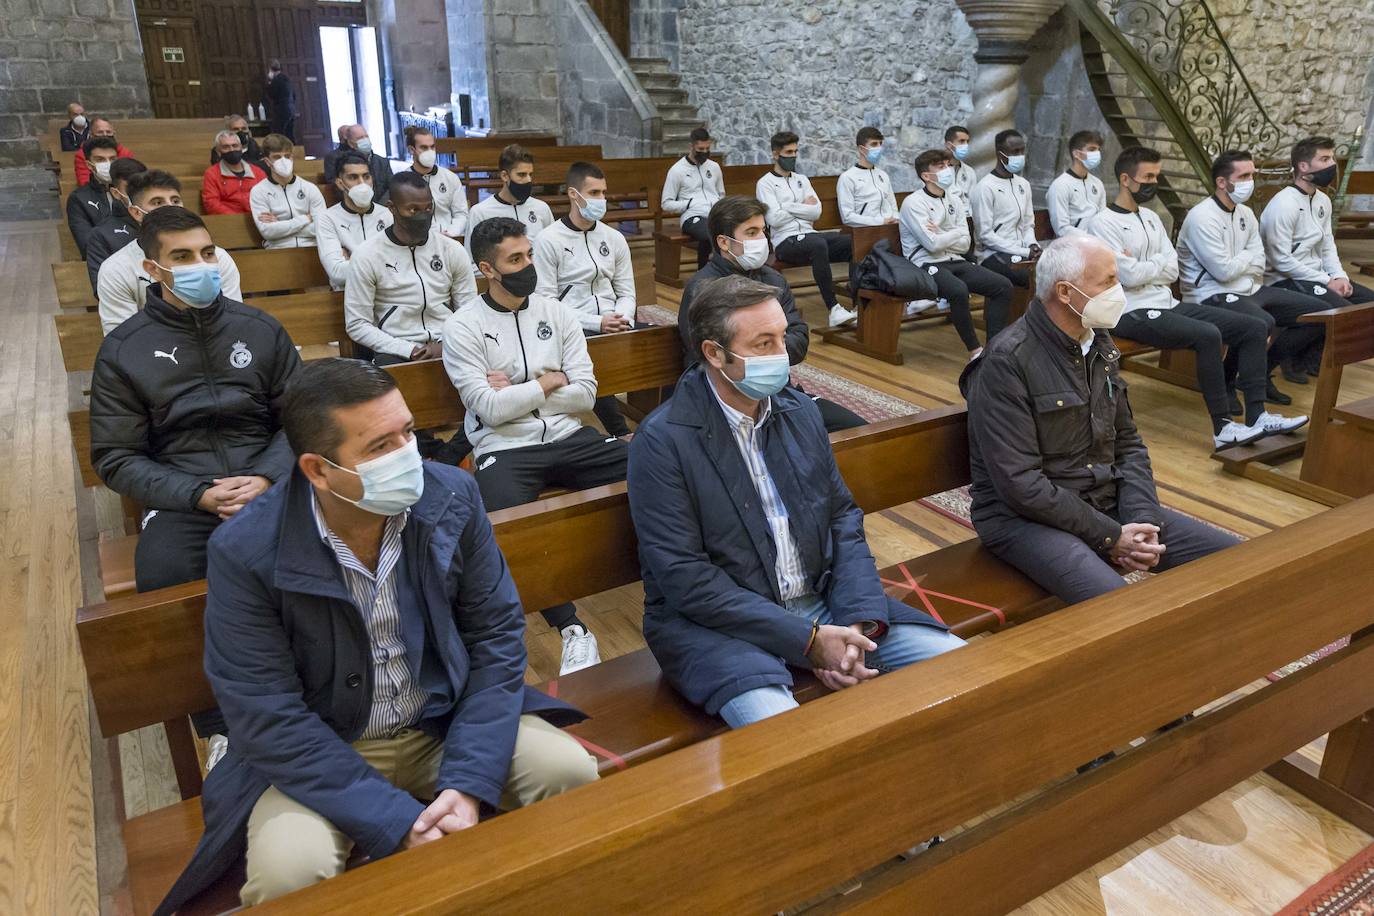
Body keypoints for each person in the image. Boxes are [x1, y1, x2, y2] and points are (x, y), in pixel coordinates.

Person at [153, 357, 596, 914]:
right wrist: (395, 819)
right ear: (317, 469)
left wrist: (465, 781)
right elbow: (266, 713)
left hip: (442, 719)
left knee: (570, 773)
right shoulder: (246, 550)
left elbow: (496, 640)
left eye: (408, 432)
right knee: (289, 872)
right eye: (380, 447)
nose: (408, 456)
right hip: (324, 749)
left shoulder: (451, 495)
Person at [628, 274, 965, 728]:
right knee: (790, 738)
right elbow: (685, 578)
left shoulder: (799, 412)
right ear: (714, 353)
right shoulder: (663, 440)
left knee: (962, 668)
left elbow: (842, 519)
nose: (781, 356)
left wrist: (857, 623)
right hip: (720, 626)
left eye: (782, 338)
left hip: (820, 600)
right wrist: (807, 641)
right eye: (763, 343)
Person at [961, 234, 1244, 605]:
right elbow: (1021, 484)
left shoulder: (1098, 344)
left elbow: (1128, 444)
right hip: (1022, 520)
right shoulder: (1007, 361)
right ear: (1065, 292)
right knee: (1119, 608)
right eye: (1109, 280)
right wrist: (1111, 536)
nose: (1119, 289)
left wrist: (1142, 520)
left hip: (1099, 500)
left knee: (1238, 561)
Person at [444, 217, 626, 675]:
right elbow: (487, 408)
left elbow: (586, 393)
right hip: (504, 448)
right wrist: (548, 381)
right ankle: (571, 629)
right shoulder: (463, 326)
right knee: (506, 525)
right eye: (515, 259)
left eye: (528, 255)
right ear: (488, 269)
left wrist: (524, 387)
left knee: (657, 470)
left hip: (569, 434)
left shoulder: (557, 312)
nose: (528, 265)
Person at [91, 204, 300, 594]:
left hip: (267, 478)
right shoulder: (123, 350)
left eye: (207, 253)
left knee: (320, 557)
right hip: (182, 494)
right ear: (152, 269)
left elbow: (303, 418)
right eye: (182, 257)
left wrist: (266, 476)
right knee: (165, 580)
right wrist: (198, 494)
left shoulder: (260, 329)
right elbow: (115, 456)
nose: (202, 265)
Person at [1086, 146, 1305, 448]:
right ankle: (1223, 429)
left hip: (1167, 304)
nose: (1154, 182)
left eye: (1157, 176)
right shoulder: (1102, 222)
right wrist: (1151, 267)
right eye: (1148, 176)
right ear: (1126, 179)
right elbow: (1130, 277)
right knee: (1207, 334)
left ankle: (1258, 416)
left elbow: (1171, 269)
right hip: (1129, 310)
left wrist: (1142, 265)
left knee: (1253, 327)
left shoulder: (1150, 217)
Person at [680, 195, 867, 433]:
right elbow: (709, 358)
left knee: (859, 431)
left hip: (779, 394)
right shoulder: (703, 288)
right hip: (723, 402)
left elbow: (799, 338)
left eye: (763, 231)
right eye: (751, 232)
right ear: (724, 243)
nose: (762, 239)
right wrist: (773, 352)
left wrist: (760, 349)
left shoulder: (773, 278)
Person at [1177, 149, 1327, 404]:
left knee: (1319, 314)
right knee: (1260, 322)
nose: (1250, 181)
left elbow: (1260, 258)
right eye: (1244, 175)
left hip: (1249, 287)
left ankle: (1261, 372)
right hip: (1212, 293)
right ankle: (1226, 381)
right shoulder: (1202, 217)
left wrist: (1245, 260)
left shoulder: (1245, 213)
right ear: (1222, 182)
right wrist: (1248, 257)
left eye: (1252, 174)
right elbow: (1222, 272)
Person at [533, 161, 637, 439]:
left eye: (603, 193)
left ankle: (651, 423)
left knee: (659, 346)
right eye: (593, 193)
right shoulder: (548, 239)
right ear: (573, 194)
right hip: (572, 325)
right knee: (592, 357)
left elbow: (626, 290)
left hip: (615, 321)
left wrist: (623, 317)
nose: (601, 200)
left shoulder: (614, 238)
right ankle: (618, 431)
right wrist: (597, 321)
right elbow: (546, 300)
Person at [1261, 135, 1374, 379]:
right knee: (1337, 310)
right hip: (1283, 278)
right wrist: (1326, 281)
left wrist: (1340, 275)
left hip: (1318, 276)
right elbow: (1280, 260)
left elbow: (1327, 244)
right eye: (1324, 159)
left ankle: (1305, 358)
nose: (1332, 164)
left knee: (1369, 303)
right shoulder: (1283, 204)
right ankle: (1267, 366)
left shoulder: (1323, 200)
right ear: (1303, 167)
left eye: (1331, 157)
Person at [343, 171, 478, 364]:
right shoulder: (367, 255)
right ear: (392, 208)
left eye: (428, 208)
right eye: (413, 210)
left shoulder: (452, 250)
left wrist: (448, 343)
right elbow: (357, 324)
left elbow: (469, 310)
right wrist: (409, 349)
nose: (423, 216)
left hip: (450, 342)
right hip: (396, 348)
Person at [899, 148, 1014, 358]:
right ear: (926, 176)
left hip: (954, 260)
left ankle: (993, 347)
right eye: (941, 167)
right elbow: (932, 246)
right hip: (925, 264)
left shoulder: (954, 200)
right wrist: (955, 233)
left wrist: (944, 233)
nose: (948, 170)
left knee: (1002, 286)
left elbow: (965, 244)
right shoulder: (913, 203)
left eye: (948, 165)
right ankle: (975, 351)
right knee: (958, 291)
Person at [97, 189, 243, 336]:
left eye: (175, 201)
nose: (201, 264)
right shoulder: (115, 269)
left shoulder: (221, 258)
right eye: (158, 202)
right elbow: (123, 341)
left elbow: (235, 323)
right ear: (154, 270)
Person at [756, 130, 856, 328]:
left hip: (810, 235)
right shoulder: (765, 183)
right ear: (776, 154)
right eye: (788, 152)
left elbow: (816, 212)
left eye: (795, 152)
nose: (793, 156)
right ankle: (834, 309)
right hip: (785, 242)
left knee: (854, 243)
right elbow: (774, 219)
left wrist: (789, 206)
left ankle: (857, 305)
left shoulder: (802, 179)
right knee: (817, 244)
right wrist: (802, 205)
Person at [970, 129, 1040, 288]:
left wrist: (1032, 245)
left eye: (1022, 150)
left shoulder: (1024, 184)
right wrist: (1023, 252)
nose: (1020, 156)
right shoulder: (985, 188)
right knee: (1034, 280)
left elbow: (1028, 224)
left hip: (1021, 251)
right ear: (1000, 154)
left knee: (1056, 273)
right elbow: (985, 235)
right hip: (992, 255)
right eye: (1015, 152)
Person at [317, 150, 394, 290]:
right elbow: (337, 273)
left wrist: (353, 260)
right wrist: (384, 263)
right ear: (340, 184)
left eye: (366, 177)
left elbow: (400, 264)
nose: (362, 183)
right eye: (353, 177)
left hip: (386, 293)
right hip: (347, 294)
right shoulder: (328, 218)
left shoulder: (386, 215)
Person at [465, 144, 555, 262]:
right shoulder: (480, 212)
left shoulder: (542, 208)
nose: (528, 180)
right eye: (521, 175)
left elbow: (554, 249)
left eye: (530, 174)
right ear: (504, 176)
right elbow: (471, 261)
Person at [660, 127, 724, 268]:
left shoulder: (714, 167)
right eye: (700, 149)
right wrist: (689, 204)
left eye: (707, 148)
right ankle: (703, 272)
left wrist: (719, 205)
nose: (705, 152)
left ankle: (729, 271)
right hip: (692, 216)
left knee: (733, 231)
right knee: (709, 234)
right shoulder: (677, 170)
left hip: (715, 213)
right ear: (691, 146)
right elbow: (666, 204)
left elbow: (721, 194)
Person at [249, 133, 327, 249]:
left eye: (287, 156)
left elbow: (323, 227)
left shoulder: (309, 188)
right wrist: (306, 218)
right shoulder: (258, 191)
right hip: (278, 250)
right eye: (277, 157)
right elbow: (268, 232)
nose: (283, 161)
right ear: (267, 162)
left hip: (312, 247)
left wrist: (280, 225)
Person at [83, 158, 149, 291]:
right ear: (116, 193)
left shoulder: (174, 222)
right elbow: (103, 289)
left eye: (144, 188)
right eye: (131, 189)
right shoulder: (101, 235)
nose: (139, 195)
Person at [404, 126, 469, 239]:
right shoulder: (403, 182)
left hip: (450, 237)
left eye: (432, 147)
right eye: (424, 148)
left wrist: (451, 232)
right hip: (417, 240)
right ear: (411, 150)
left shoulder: (450, 178)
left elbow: (461, 213)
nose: (430, 152)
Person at [66, 137, 124, 258]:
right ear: (89, 165)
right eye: (100, 160)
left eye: (113, 159)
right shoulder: (78, 199)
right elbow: (87, 245)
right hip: (102, 264)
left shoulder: (131, 190)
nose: (108, 164)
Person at [1046, 130, 1107, 237]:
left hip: (1098, 243)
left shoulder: (1098, 183)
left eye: (1098, 150)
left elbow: (1103, 219)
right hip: (1073, 245)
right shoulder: (1060, 185)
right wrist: (1090, 239)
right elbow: (1062, 228)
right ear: (1076, 154)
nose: (1097, 154)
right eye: (1092, 149)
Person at [837, 126, 899, 228]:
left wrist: (895, 220)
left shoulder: (883, 175)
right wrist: (880, 221)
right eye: (874, 144)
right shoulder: (847, 177)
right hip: (864, 231)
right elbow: (847, 216)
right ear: (861, 149)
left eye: (880, 144)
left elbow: (893, 206)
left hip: (890, 228)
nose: (879, 148)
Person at [201, 129, 267, 215]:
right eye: (226, 147)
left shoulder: (257, 172)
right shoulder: (211, 173)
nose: (232, 150)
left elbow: (268, 197)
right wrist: (235, 218)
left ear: (241, 147)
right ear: (218, 151)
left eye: (235, 145)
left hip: (258, 218)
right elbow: (211, 203)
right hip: (228, 221)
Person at [324, 125, 394, 201]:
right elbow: (336, 186)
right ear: (350, 143)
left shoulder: (382, 162)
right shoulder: (341, 161)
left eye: (366, 136)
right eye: (360, 138)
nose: (365, 140)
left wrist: (380, 206)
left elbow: (391, 186)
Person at [73, 118, 134, 185]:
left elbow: (130, 178)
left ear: (113, 133)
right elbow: (84, 180)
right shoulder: (82, 154)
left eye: (108, 132)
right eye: (100, 132)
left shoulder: (125, 153)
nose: (105, 135)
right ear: (91, 134)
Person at [944, 125, 978, 213]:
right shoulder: (936, 170)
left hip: (967, 220)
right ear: (949, 145)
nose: (966, 145)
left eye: (968, 142)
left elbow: (973, 201)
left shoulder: (970, 171)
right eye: (961, 141)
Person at [262, 59, 297, 142]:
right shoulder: (286, 79)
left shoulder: (276, 80)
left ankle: (281, 152)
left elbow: (272, 95)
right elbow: (294, 95)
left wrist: (270, 82)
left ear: (271, 70)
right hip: (291, 109)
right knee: (290, 134)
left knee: (279, 134)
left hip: (281, 110)